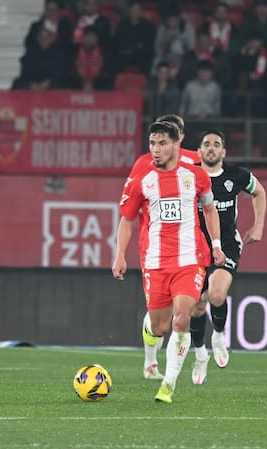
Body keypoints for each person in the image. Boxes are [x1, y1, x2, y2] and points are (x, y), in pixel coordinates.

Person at [112, 121, 225, 403]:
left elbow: (210, 210)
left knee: (182, 317)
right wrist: (120, 254)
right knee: (160, 327)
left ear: (176, 145)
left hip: (190, 260)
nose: (156, 149)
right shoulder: (142, 180)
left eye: (162, 143)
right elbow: (127, 220)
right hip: (156, 262)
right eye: (152, 143)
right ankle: (150, 336)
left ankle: (168, 385)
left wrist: (216, 245)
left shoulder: (196, 176)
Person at [189, 128, 266, 385]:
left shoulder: (237, 175)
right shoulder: (189, 175)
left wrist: (258, 225)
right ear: (199, 151)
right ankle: (200, 355)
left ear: (223, 151)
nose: (211, 148)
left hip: (227, 244)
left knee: (216, 294)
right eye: (206, 144)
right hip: (195, 246)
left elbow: (260, 192)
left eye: (216, 144)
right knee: (197, 305)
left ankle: (218, 335)